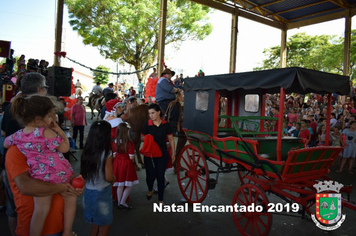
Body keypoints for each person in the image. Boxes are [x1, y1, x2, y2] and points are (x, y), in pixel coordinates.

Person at [4, 95, 76, 236]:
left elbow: (6, 143)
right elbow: (64, 148)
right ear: (38, 119)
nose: (52, 119)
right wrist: (58, 131)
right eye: (50, 116)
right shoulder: (46, 132)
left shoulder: (17, 136)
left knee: (40, 210)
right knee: (71, 198)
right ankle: (67, 232)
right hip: (58, 174)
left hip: (39, 174)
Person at [1, 72, 49, 236]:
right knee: (30, 209)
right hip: (30, 168)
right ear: (39, 89)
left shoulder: (11, 106)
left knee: (13, 209)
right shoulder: (37, 108)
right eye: (45, 88)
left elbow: (3, 133)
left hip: (10, 165)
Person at [81, 120, 116, 236]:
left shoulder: (86, 151)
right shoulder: (107, 153)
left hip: (88, 193)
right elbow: (109, 176)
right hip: (102, 194)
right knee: (104, 227)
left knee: (94, 227)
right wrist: (114, 179)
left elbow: (84, 175)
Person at [141, 103, 175, 204]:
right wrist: (147, 138)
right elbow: (141, 137)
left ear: (158, 112)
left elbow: (171, 139)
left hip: (162, 154)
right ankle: (150, 189)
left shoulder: (166, 125)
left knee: (160, 176)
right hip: (149, 155)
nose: (151, 115)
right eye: (149, 113)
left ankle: (161, 199)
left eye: (153, 113)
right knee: (150, 176)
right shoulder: (147, 125)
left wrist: (173, 153)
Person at [113, 123, 139, 209]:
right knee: (129, 185)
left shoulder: (114, 142)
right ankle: (123, 202)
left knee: (119, 184)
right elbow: (131, 157)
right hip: (126, 164)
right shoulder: (130, 143)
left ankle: (119, 202)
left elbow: (113, 156)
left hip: (117, 164)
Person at [156, 69, 180, 134]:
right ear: (165, 74)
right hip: (164, 100)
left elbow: (174, 87)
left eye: (171, 74)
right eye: (169, 74)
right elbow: (171, 89)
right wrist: (178, 90)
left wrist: (178, 88)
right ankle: (172, 130)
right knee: (174, 111)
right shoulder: (163, 80)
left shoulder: (166, 81)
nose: (170, 75)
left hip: (166, 99)